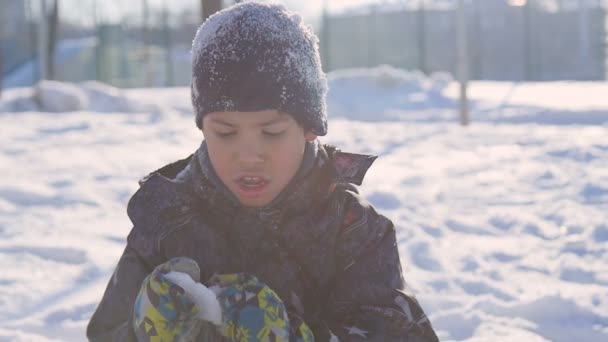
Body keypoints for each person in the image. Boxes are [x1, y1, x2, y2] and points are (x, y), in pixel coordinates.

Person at [87, 2, 438, 341]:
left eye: (271, 132)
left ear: (309, 128)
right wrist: (141, 328)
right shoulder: (167, 218)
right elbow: (105, 332)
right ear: (203, 128)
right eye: (225, 132)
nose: (249, 155)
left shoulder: (350, 229)